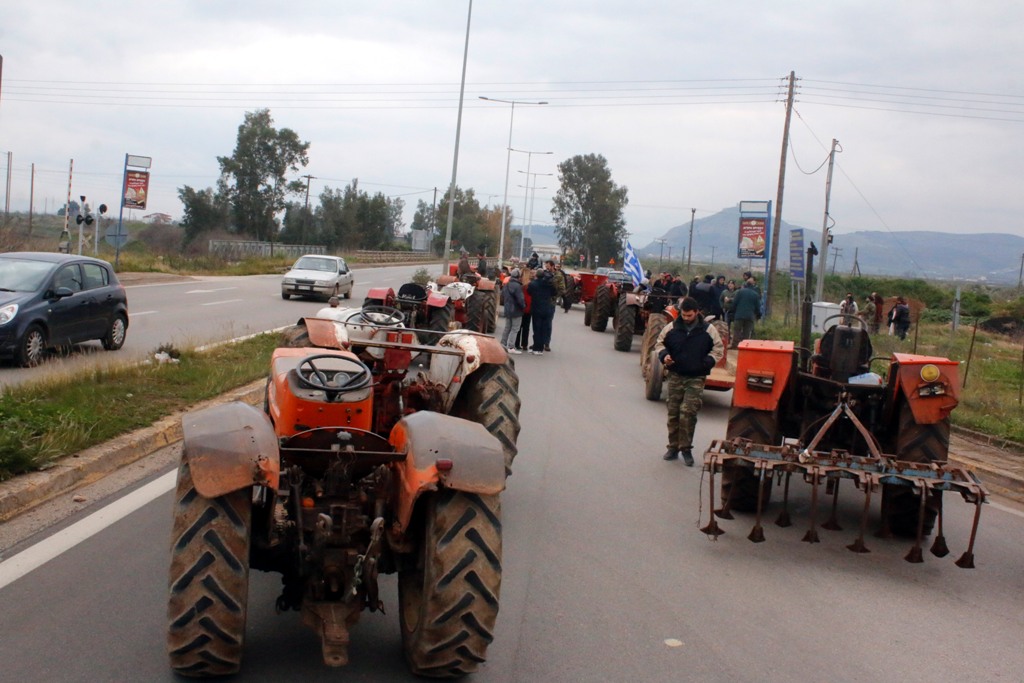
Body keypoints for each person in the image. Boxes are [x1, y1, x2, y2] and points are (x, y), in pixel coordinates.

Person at [654, 296, 724, 465]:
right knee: (673, 412)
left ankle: (686, 449)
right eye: (683, 315)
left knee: (688, 413)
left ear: (696, 313)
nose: (686, 319)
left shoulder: (708, 330)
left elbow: (718, 349)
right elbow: (659, 344)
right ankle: (672, 447)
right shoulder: (671, 327)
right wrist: (665, 357)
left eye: (689, 316)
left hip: (696, 377)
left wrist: (706, 363)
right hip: (676, 375)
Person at [526, 265, 557, 355]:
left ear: (537, 275)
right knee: (544, 328)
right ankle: (540, 348)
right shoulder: (549, 284)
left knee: (537, 329)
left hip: (536, 308)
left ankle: (536, 348)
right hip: (547, 308)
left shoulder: (533, 284)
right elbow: (554, 293)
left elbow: (529, 292)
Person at [499, 269, 525, 354]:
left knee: (507, 328)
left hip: (507, 310)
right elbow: (520, 299)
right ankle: (511, 346)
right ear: (518, 276)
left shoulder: (506, 285)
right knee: (515, 329)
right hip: (516, 310)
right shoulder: (518, 286)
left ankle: (503, 344)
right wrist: (523, 306)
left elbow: (502, 295)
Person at [730, 279, 761, 348]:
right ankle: (744, 347)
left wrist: (732, 312)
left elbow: (735, 303)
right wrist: (758, 315)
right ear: (753, 286)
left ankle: (735, 345)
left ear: (745, 285)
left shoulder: (740, 292)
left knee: (737, 331)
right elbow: (758, 307)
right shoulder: (755, 294)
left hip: (739, 315)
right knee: (746, 332)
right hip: (750, 316)